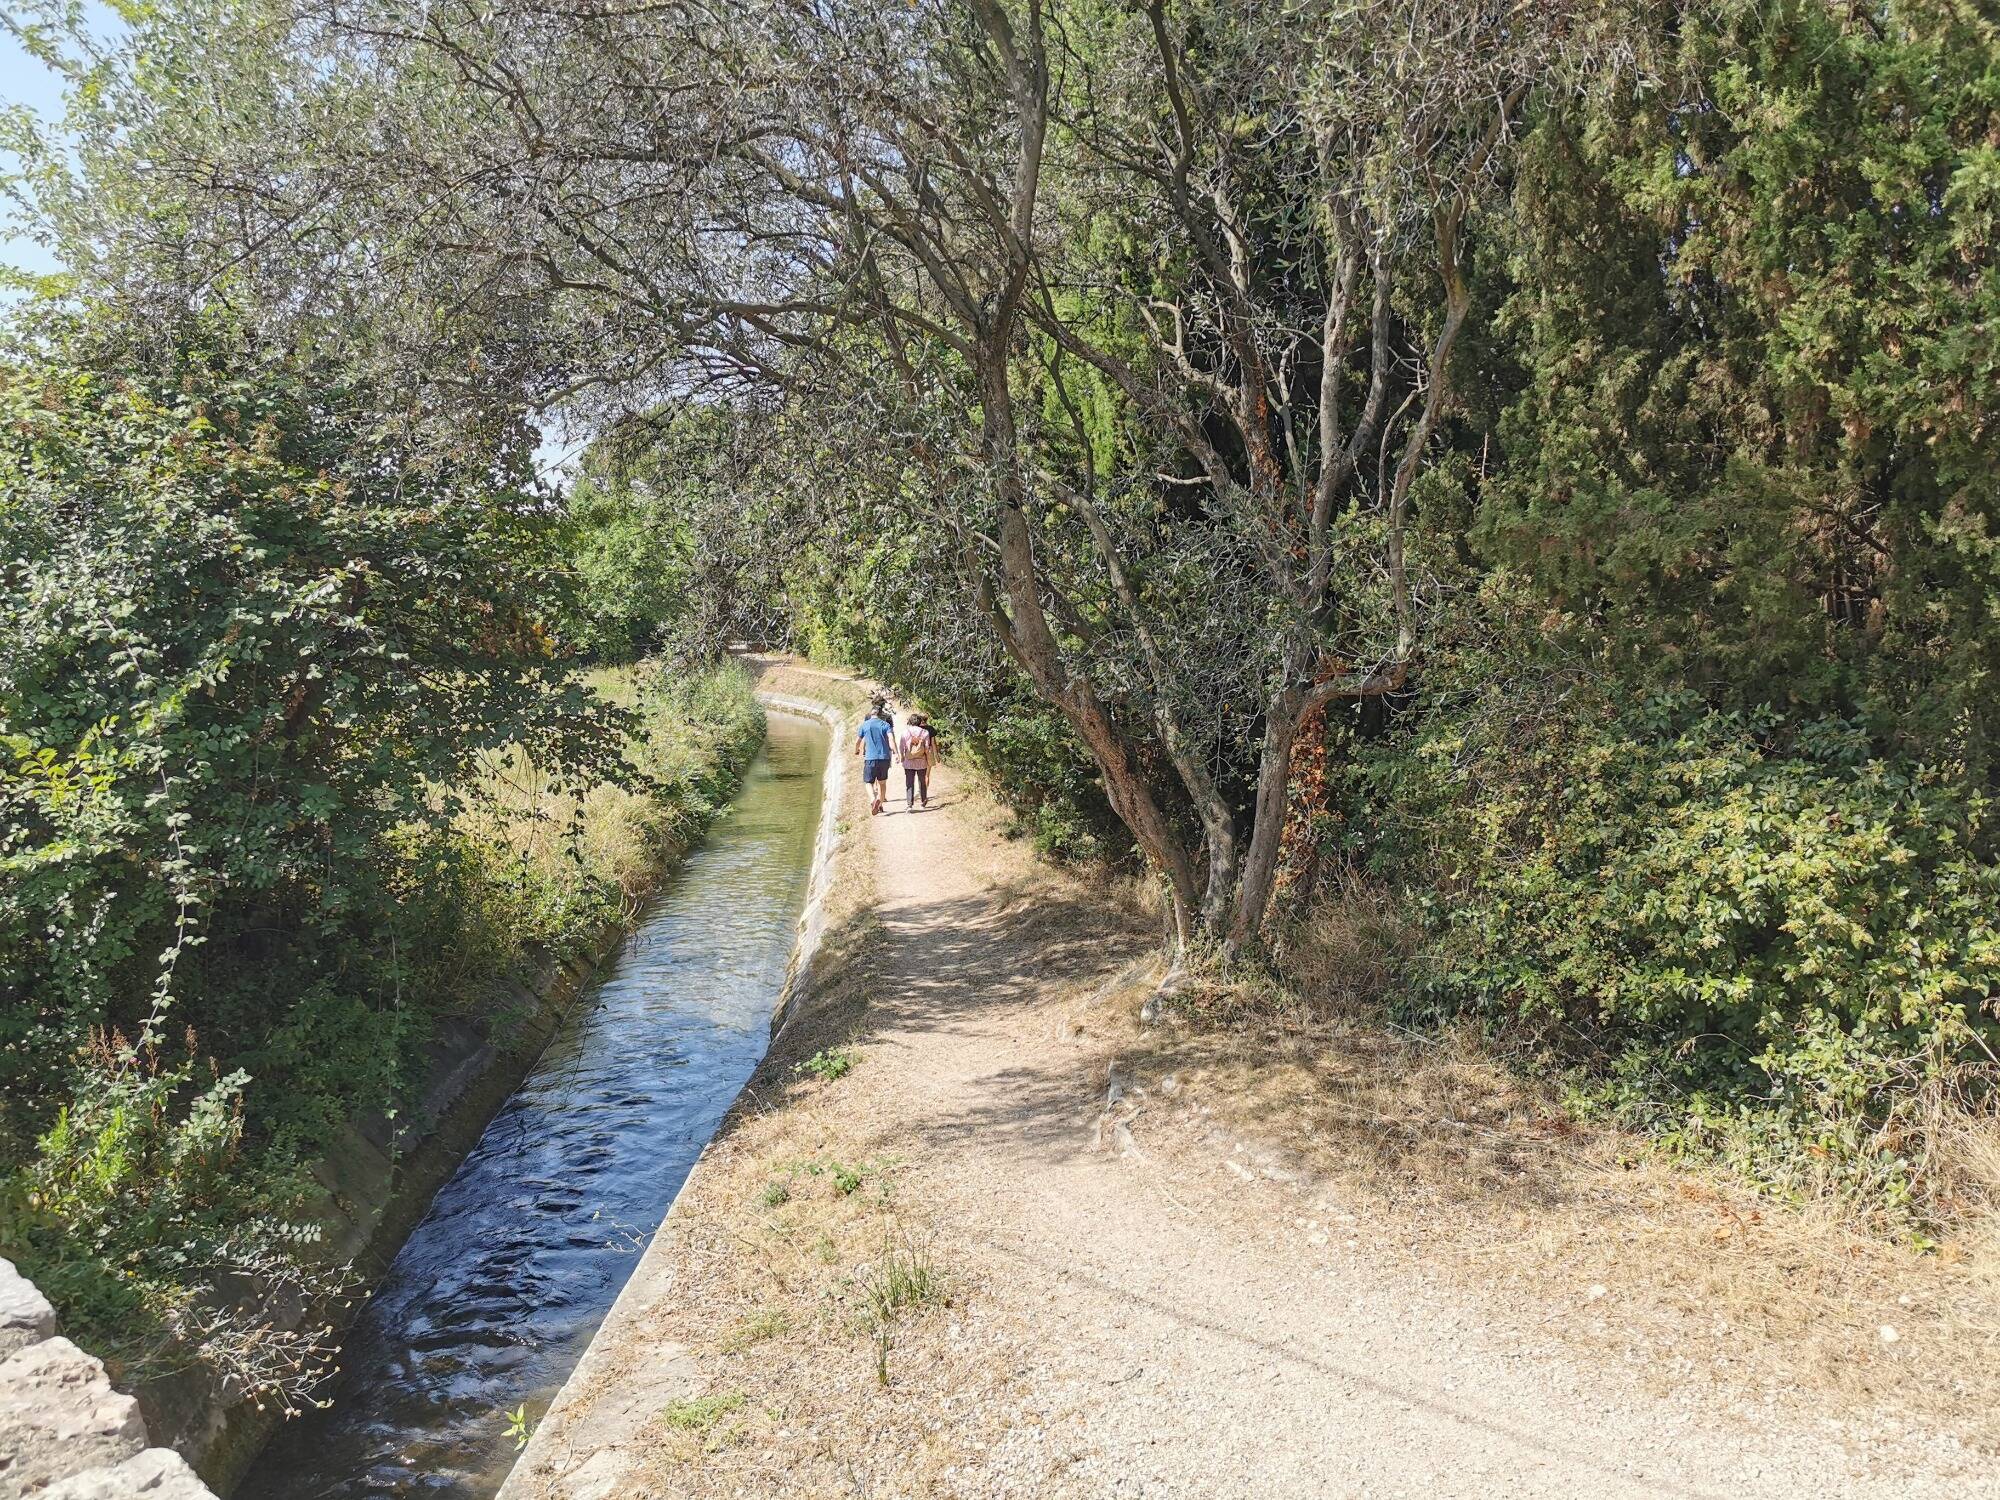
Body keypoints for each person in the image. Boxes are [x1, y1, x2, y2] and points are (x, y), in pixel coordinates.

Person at [856, 697, 896, 815]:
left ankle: (874, 799)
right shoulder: (888, 718)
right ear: (883, 705)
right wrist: (895, 751)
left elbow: (864, 735)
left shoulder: (868, 717)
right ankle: (880, 801)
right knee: (882, 780)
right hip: (885, 752)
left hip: (871, 752)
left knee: (870, 780)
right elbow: (891, 736)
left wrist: (862, 749)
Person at [897, 712, 938, 811]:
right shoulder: (925, 733)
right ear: (919, 722)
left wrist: (902, 756)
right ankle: (923, 802)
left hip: (909, 761)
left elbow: (901, 746)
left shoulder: (905, 732)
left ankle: (909, 804)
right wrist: (929, 758)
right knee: (922, 782)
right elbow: (927, 747)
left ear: (910, 721)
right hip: (921, 761)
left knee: (909, 782)